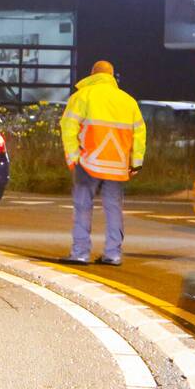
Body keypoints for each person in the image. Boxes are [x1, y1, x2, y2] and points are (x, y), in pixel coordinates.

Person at [59, 60, 146, 265]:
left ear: (92, 74)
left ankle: (80, 253)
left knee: (83, 207)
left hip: (89, 162)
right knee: (114, 208)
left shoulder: (83, 96)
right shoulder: (128, 101)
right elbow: (140, 134)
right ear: (112, 76)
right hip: (117, 165)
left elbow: (68, 127)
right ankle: (113, 254)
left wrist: (73, 158)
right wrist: (136, 163)